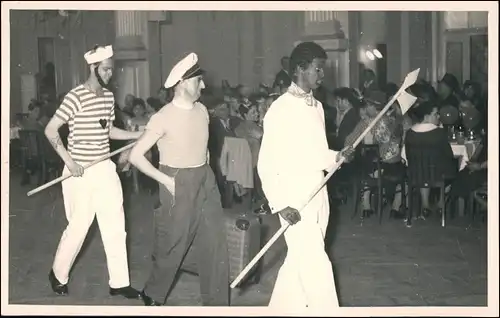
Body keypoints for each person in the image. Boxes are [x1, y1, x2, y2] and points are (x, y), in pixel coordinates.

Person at [128, 52, 230, 306]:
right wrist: (167, 181)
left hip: (205, 178)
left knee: (215, 243)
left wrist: (207, 174)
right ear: (182, 83)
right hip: (176, 179)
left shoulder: (203, 111)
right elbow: (136, 156)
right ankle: (153, 293)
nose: (203, 86)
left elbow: (204, 148)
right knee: (174, 243)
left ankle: (217, 304)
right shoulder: (162, 117)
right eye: (198, 81)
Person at [258, 41, 353, 311]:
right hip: (293, 199)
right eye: (318, 69)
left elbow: (319, 154)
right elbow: (266, 162)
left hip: (318, 194)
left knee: (299, 261)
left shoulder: (318, 107)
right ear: (300, 69)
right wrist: (279, 203)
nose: (322, 76)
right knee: (317, 263)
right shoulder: (280, 109)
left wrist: (338, 156)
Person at [43, 45, 143, 299]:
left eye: (112, 69)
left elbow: (108, 131)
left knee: (116, 225)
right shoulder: (75, 96)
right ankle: (58, 274)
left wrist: (137, 135)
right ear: (93, 68)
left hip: (104, 168)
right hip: (79, 171)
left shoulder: (108, 97)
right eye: (106, 69)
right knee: (79, 227)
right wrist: (70, 161)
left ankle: (119, 282)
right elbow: (51, 130)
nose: (110, 74)